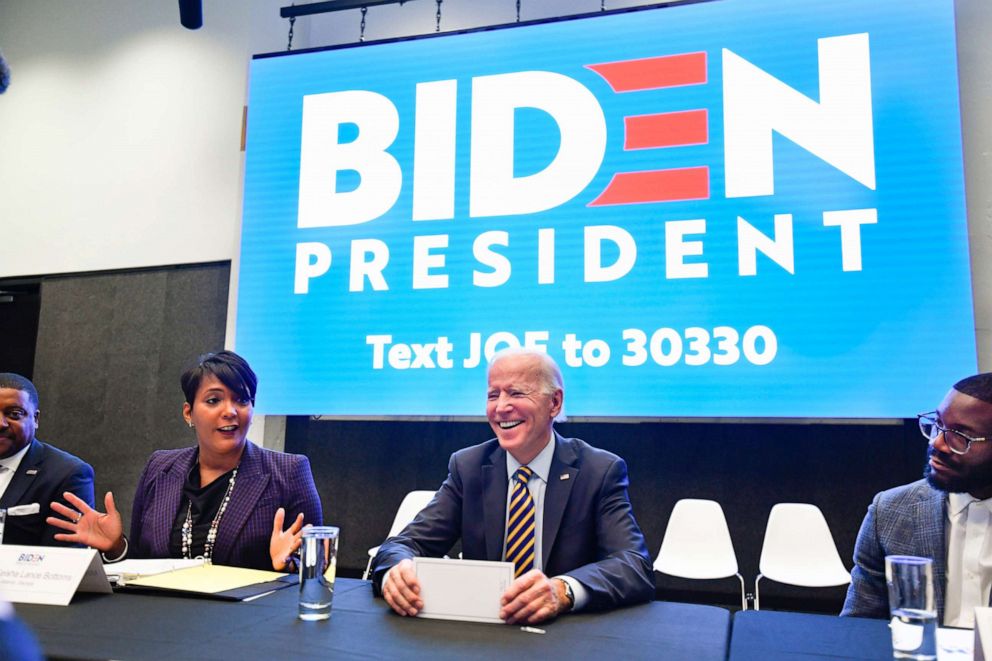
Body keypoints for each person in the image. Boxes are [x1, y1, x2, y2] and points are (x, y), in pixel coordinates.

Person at [371, 348, 655, 624]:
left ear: (554, 403)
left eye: (517, 393)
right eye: (493, 395)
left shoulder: (598, 471)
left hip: (567, 635)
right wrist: (397, 570)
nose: (501, 407)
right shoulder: (468, 467)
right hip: (485, 633)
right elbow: (404, 544)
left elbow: (633, 564)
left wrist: (564, 590)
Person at [46, 351, 322, 571]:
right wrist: (117, 548)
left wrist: (285, 567)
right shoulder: (160, 467)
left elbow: (316, 570)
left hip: (247, 628)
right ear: (188, 413)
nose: (230, 411)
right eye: (213, 400)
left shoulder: (289, 471)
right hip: (165, 624)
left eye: (242, 400)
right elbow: (142, 565)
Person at [842, 372, 992, 627]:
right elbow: (858, 630)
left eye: (961, 436)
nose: (938, 443)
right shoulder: (890, 512)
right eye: (938, 424)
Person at [0, 372, 94, 547]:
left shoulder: (67, 474)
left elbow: (63, 560)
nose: (1, 423)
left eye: (14, 414)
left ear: (35, 419)